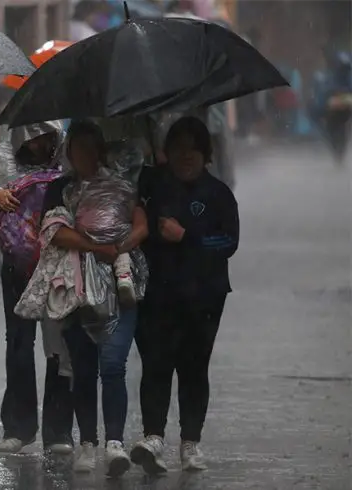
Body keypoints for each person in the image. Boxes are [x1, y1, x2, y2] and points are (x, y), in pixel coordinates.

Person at [38, 120, 148, 475]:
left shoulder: (122, 184)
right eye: (77, 148)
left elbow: (139, 222)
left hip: (121, 282)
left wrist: (120, 246)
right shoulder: (60, 190)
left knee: (113, 364)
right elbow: (53, 232)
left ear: (100, 150)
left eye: (90, 147)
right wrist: (93, 246)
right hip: (76, 286)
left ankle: (114, 441)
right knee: (83, 368)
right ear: (69, 153)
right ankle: (88, 442)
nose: (83, 155)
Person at [130, 116, 239, 474]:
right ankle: (153, 436)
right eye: (178, 148)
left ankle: (191, 441)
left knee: (194, 367)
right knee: (157, 364)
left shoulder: (219, 194)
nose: (186, 155)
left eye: (193, 148)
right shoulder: (154, 186)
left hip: (205, 297)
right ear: (167, 151)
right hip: (158, 294)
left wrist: (187, 236)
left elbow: (229, 243)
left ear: (205, 153)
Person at [0, 121, 75, 455]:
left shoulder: (66, 154)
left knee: (59, 345)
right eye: (35, 139)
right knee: (19, 343)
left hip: (58, 262)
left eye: (47, 137)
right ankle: (18, 427)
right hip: (18, 263)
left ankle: (59, 430)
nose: (42, 144)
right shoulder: (5, 154)